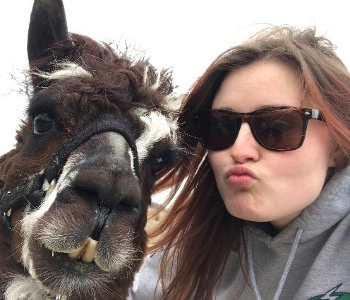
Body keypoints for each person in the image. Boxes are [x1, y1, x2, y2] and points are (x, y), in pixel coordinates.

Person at [128, 25, 350, 300]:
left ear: (338, 148)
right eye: (221, 127)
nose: (239, 149)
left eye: (276, 127)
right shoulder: (194, 249)